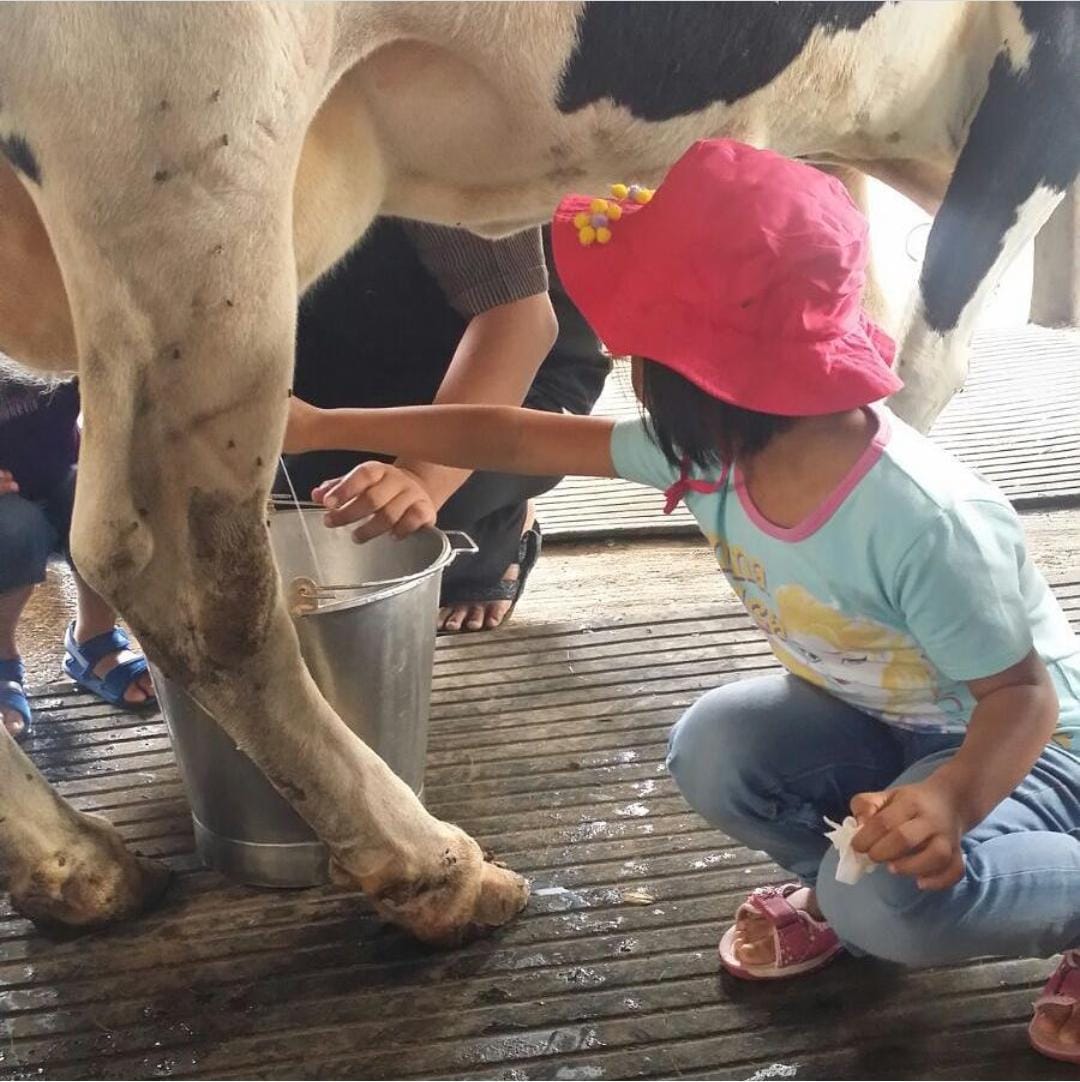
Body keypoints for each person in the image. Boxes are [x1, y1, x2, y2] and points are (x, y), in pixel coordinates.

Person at [284, 141, 1080, 1062]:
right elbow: (510, 433)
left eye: (641, 350)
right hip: (878, 722)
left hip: (1022, 749)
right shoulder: (714, 449)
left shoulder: (922, 518)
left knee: (891, 908)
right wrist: (324, 425)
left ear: (702, 376)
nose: (627, 365)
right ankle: (837, 893)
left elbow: (1025, 699)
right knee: (714, 749)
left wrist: (950, 799)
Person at [279, 220, 609, 632]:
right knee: (285, 526)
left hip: (516, 371)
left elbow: (521, 320)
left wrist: (417, 479)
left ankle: (496, 535)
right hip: (350, 361)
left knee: (373, 532)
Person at [0, 374, 155, 740]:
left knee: (111, 502)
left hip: (55, 469)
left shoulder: (57, 319)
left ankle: (93, 639)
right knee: (15, 530)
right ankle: (1, 657)